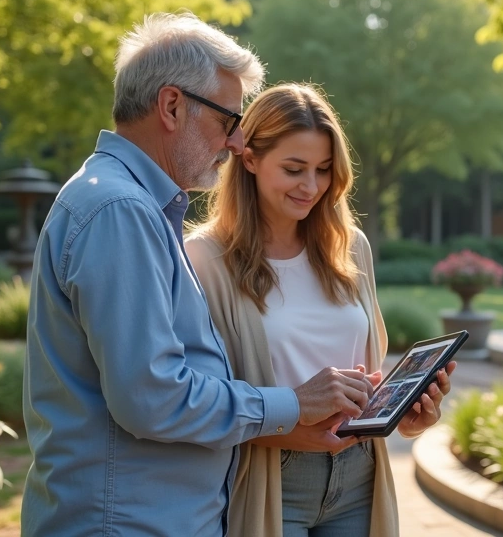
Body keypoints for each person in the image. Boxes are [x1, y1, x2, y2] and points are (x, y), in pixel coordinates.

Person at [20, 15, 377, 537]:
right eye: (228, 120)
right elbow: (153, 398)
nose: (236, 143)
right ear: (171, 106)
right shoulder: (121, 209)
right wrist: (293, 404)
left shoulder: (133, 204)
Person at [186, 84, 455, 537]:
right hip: (274, 479)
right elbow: (194, 402)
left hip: (360, 475)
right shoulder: (204, 259)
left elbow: (365, 369)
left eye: (324, 170)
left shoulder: (350, 248)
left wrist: (405, 415)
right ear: (249, 158)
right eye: (294, 169)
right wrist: (290, 426)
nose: (311, 187)